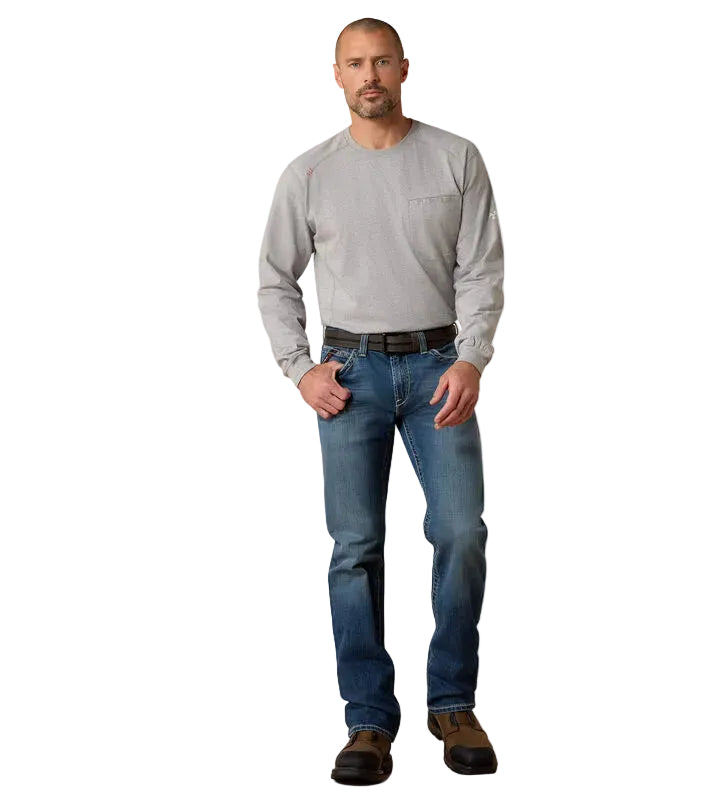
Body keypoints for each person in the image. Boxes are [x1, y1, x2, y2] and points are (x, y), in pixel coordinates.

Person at [257, 17, 504, 785]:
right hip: (350, 374)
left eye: (382, 61)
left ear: (404, 68)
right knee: (355, 548)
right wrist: (300, 369)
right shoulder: (309, 173)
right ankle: (367, 720)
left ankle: (452, 703)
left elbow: (481, 270)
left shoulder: (455, 157)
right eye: (355, 63)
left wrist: (472, 358)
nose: (370, 75)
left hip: (438, 370)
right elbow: (274, 279)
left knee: (461, 531)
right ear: (337, 75)